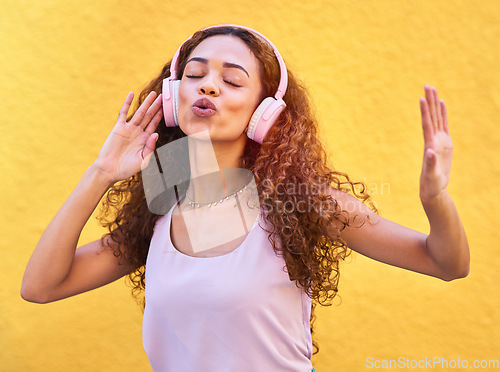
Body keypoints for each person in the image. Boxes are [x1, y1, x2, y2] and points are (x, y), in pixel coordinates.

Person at [21, 25, 470, 372]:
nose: (209, 86)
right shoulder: (164, 199)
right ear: (175, 98)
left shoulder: (299, 200)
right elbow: (41, 287)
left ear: (264, 113)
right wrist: (99, 173)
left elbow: (447, 263)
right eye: (195, 75)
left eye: (232, 81)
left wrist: (436, 199)